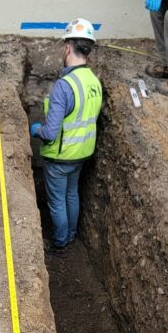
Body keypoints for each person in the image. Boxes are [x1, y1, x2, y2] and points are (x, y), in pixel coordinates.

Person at [29, 18, 103, 255]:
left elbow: (50, 132)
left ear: (68, 48)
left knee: (57, 201)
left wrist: (36, 130)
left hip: (60, 157)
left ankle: (60, 242)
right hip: (82, 154)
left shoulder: (64, 85)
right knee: (72, 194)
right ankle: (71, 235)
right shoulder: (93, 81)